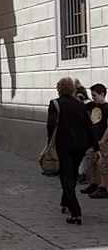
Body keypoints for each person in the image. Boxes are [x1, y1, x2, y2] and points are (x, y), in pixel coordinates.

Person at [47, 77, 100, 225]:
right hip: (80, 146)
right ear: (72, 89)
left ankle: (75, 212)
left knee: (66, 178)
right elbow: (89, 127)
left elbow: (50, 127)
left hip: (64, 146)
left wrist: (48, 146)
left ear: (59, 89)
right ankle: (65, 203)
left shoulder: (55, 104)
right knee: (72, 173)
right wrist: (96, 147)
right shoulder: (80, 105)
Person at [80, 83, 108, 199]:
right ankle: (94, 184)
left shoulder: (107, 108)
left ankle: (103, 188)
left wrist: (103, 140)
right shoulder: (92, 105)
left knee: (103, 164)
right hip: (93, 140)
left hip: (103, 141)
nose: (93, 98)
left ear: (102, 94)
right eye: (92, 95)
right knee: (92, 162)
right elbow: (81, 108)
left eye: (95, 95)